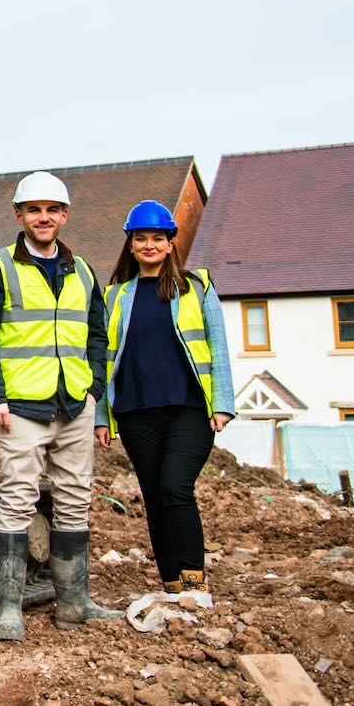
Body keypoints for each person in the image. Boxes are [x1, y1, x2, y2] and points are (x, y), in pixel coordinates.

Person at [0, 171, 118, 640]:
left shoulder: (84, 270)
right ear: (19, 216)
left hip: (73, 404)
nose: (43, 217)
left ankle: (74, 603)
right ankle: (8, 610)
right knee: (17, 500)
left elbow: (97, 333)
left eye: (52, 210)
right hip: (21, 407)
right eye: (34, 210)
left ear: (64, 216)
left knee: (75, 500)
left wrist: (94, 388)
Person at [95, 200, 236, 595]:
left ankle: (194, 576)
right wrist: (102, 417)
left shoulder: (196, 287)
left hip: (188, 409)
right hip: (135, 412)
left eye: (158, 238)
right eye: (141, 238)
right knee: (155, 496)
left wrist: (222, 403)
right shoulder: (115, 296)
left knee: (175, 486)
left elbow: (218, 346)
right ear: (130, 245)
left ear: (171, 243)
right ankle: (171, 581)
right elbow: (104, 359)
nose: (150, 245)